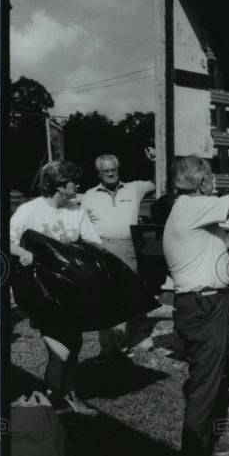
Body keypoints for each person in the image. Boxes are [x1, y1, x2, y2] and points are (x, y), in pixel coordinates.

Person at [163, 139, 229, 456]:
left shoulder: (192, 211)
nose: (215, 182)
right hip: (203, 305)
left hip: (204, 304)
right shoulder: (193, 207)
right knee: (205, 385)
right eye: (210, 177)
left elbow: (227, 243)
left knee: (207, 379)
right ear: (201, 183)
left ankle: (202, 444)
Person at [10, 160, 102, 416]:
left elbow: (93, 241)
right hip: (43, 293)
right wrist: (21, 252)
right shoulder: (29, 211)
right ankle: (52, 403)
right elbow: (5, 241)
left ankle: (71, 400)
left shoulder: (75, 210)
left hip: (72, 290)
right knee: (60, 351)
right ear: (60, 185)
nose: (78, 186)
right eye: (74, 182)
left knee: (74, 346)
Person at [81, 154, 154, 362]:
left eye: (114, 169)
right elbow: (81, 225)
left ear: (118, 169)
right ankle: (106, 350)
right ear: (99, 173)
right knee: (103, 299)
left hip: (127, 248)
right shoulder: (90, 195)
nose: (111, 173)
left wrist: (155, 161)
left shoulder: (133, 188)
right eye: (106, 171)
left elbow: (160, 181)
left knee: (124, 297)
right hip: (100, 249)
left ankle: (121, 349)